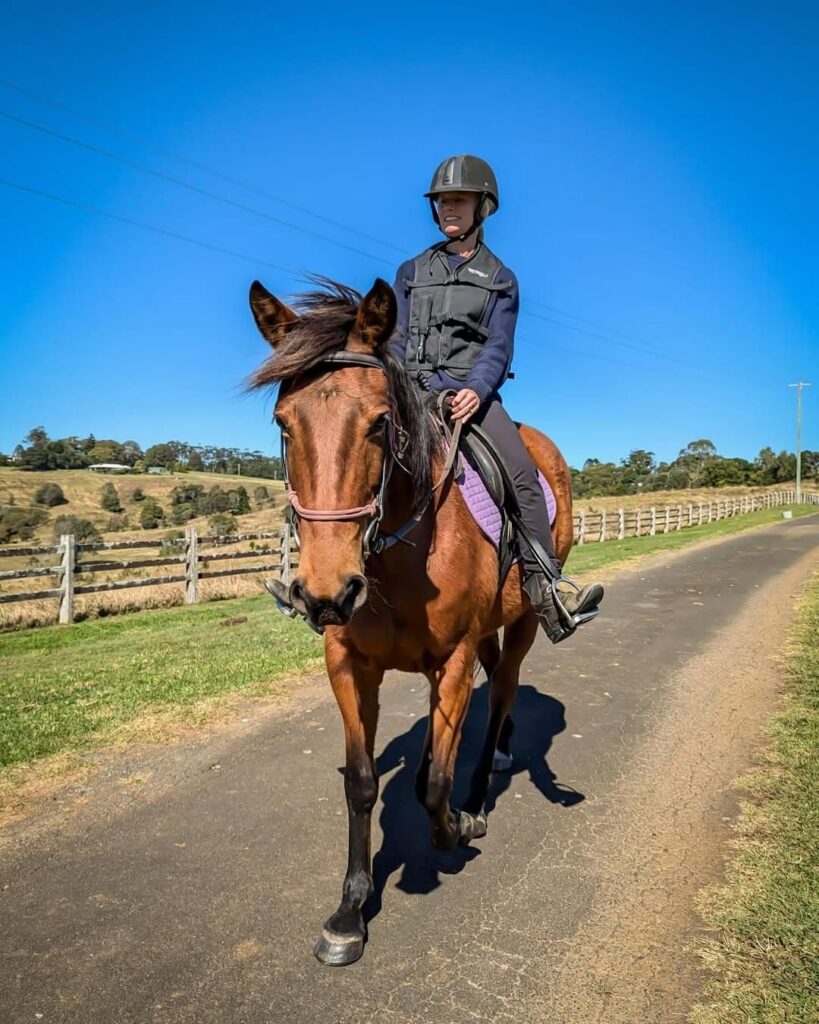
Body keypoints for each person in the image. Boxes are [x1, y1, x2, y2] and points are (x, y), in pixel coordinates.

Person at [389, 154, 603, 643]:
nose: (449, 208)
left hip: (473, 397)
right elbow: (395, 340)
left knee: (524, 477)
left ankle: (546, 588)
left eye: (459, 200)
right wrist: (405, 387)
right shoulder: (410, 271)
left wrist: (475, 391)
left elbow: (498, 346)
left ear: (482, 207)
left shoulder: (501, 278)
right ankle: (331, 584)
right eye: (443, 201)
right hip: (413, 393)